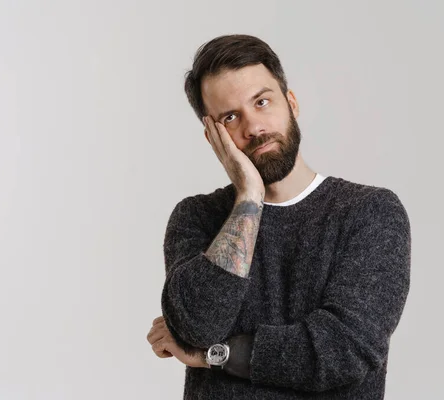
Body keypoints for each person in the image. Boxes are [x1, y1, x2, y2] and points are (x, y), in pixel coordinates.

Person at [146, 34, 411, 399]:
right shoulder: (197, 217)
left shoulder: (368, 212)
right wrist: (249, 197)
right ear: (213, 137)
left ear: (291, 103)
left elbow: (342, 351)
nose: (254, 127)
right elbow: (195, 325)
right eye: (231, 116)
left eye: (262, 102)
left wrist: (213, 355)